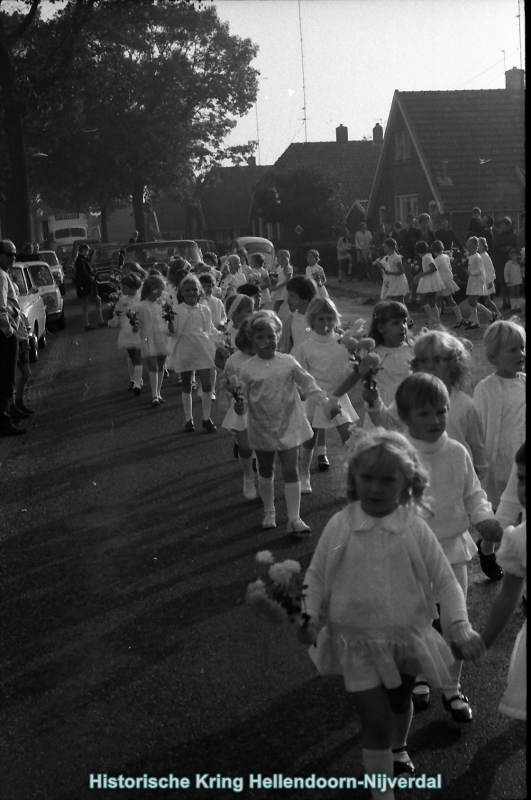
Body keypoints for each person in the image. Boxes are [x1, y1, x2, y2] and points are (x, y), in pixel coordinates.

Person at [298, 428, 485, 798]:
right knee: (375, 720)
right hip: (357, 642)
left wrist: (459, 624)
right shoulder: (341, 524)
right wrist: (308, 614)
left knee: (400, 703)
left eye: (388, 479)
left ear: (407, 483)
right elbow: (316, 575)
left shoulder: (414, 527)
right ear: (353, 478)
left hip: (406, 638)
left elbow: (446, 582)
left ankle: (398, 748)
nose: (376, 487)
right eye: (367, 477)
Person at [364, 375, 500, 718]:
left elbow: (473, 493)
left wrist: (484, 517)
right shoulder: (397, 455)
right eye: (425, 414)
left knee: (457, 620)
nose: (436, 420)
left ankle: (453, 688)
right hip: (409, 554)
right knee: (418, 622)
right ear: (406, 418)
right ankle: (422, 676)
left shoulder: (457, 452)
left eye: (442, 411)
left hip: (453, 550)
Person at [235, 311, 328, 535]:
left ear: (278, 335)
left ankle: (294, 518)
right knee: (265, 470)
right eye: (260, 338)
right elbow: (243, 400)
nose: (266, 341)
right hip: (262, 426)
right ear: (252, 340)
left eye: (271, 336)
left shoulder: (287, 362)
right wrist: (239, 406)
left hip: (289, 424)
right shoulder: (247, 368)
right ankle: (269, 511)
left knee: (291, 470)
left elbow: (307, 383)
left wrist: (325, 402)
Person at [464, 442, 526, 721]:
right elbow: (508, 596)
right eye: (522, 479)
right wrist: (484, 641)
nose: (523, 488)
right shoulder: (520, 539)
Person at [297, 298, 358, 492]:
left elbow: (350, 368)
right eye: (321, 319)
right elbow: (302, 376)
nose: (326, 324)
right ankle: (303, 474)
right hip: (315, 399)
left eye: (330, 318)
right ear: (311, 321)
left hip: (339, 396)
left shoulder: (344, 343)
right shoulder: (305, 347)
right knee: (309, 438)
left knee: (349, 437)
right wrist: (307, 394)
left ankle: (353, 478)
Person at [473, 320, 526, 509]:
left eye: (522, 348)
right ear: (494, 357)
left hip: (522, 447)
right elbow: (479, 425)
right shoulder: (486, 388)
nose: (521, 354)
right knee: (503, 501)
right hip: (500, 451)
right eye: (513, 350)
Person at [166, 274, 218, 432]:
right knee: (187, 383)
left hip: (202, 347)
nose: (191, 293)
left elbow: (209, 330)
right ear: (181, 292)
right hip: (185, 348)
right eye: (187, 290)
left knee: (207, 383)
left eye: (194, 289)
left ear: (199, 291)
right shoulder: (176, 310)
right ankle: (189, 419)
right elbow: (172, 332)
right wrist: (169, 325)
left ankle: (206, 417)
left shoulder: (205, 310)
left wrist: (221, 338)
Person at [219, 321, 257, 500]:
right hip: (242, 408)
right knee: (245, 447)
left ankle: (265, 483)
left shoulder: (269, 357)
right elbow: (227, 382)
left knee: (265, 449)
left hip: (264, 408)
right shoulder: (234, 360)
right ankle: (248, 476)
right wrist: (234, 401)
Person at [0, 240, 26, 436]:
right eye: (10, 254)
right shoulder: (0, 276)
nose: (14, 258)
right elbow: (1, 308)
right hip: (4, 334)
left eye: (15, 254)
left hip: (8, 330)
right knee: (5, 377)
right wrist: (9, 331)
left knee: (8, 375)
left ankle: (10, 411)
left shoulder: (4, 274)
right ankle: (4, 420)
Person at [130, 274, 168, 407]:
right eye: (160, 289)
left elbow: (167, 320)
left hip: (162, 336)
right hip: (147, 337)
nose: (162, 292)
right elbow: (136, 326)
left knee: (161, 365)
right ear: (153, 289)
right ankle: (154, 395)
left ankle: (158, 392)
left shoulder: (162, 305)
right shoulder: (141, 306)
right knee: (152, 365)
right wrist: (135, 326)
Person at [108, 273, 143, 395]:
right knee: (132, 356)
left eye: (125, 287)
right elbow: (117, 314)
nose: (123, 290)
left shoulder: (142, 299)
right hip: (127, 332)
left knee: (138, 357)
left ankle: (137, 383)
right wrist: (113, 322)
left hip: (139, 331)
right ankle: (137, 379)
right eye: (122, 287)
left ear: (134, 287)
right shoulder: (122, 300)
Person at [280, 275, 317, 358]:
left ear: (305, 298)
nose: (288, 299)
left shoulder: (318, 318)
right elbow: (286, 345)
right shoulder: (290, 319)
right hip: (297, 359)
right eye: (288, 295)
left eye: (292, 296)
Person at [431, 240, 463, 327]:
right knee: (444, 299)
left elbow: (433, 270)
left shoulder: (437, 260)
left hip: (442, 281)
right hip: (447, 279)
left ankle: (437, 320)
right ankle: (458, 318)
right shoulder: (446, 256)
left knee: (441, 300)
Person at [74, 243, 105, 330]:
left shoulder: (83, 259)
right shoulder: (80, 260)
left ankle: (100, 321)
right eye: (85, 250)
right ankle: (87, 324)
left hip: (89, 284)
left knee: (97, 300)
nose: (87, 252)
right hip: (85, 284)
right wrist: (90, 276)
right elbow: (82, 272)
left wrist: (92, 273)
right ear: (81, 251)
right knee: (85, 303)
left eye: (87, 250)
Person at [413, 241, 445, 326]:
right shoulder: (428, 256)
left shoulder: (426, 258)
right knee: (431, 302)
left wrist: (422, 274)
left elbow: (434, 268)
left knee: (423, 300)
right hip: (431, 280)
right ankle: (437, 320)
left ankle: (432, 318)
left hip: (430, 281)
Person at [492, 217, 518, 309]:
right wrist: (504, 249)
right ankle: (504, 302)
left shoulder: (514, 235)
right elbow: (494, 248)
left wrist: (511, 249)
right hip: (501, 261)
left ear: (508, 225)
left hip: (511, 260)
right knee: (503, 282)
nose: (502, 227)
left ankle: (511, 301)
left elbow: (516, 246)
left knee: (512, 282)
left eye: (504, 225)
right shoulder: (498, 236)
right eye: (501, 225)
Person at [477, 237, 502, 322]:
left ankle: (496, 314)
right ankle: (496, 314)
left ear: (484, 246)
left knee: (487, 300)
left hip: (486, 281)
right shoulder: (480, 256)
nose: (477, 246)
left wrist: (491, 280)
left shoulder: (485, 256)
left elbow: (490, 269)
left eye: (479, 245)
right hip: (483, 280)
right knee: (487, 300)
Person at [378, 238, 409, 303]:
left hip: (397, 281)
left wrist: (390, 273)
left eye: (385, 246)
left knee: (397, 299)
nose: (384, 248)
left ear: (390, 247)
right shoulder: (387, 257)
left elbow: (401, 271)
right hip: (391, 280)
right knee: (394, 299)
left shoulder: (396, 257)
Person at [504, 248, 523, 312]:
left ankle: (518, 306)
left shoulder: (519, 263)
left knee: (517, 294)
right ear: (510, 256)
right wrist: (507, 280)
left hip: (518, 281)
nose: (515, 257)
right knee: (512, 294)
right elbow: (506, 272)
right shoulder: (508, 264)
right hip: (511, 281)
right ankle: (513, 307)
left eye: (516, 255)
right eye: (513, 255)